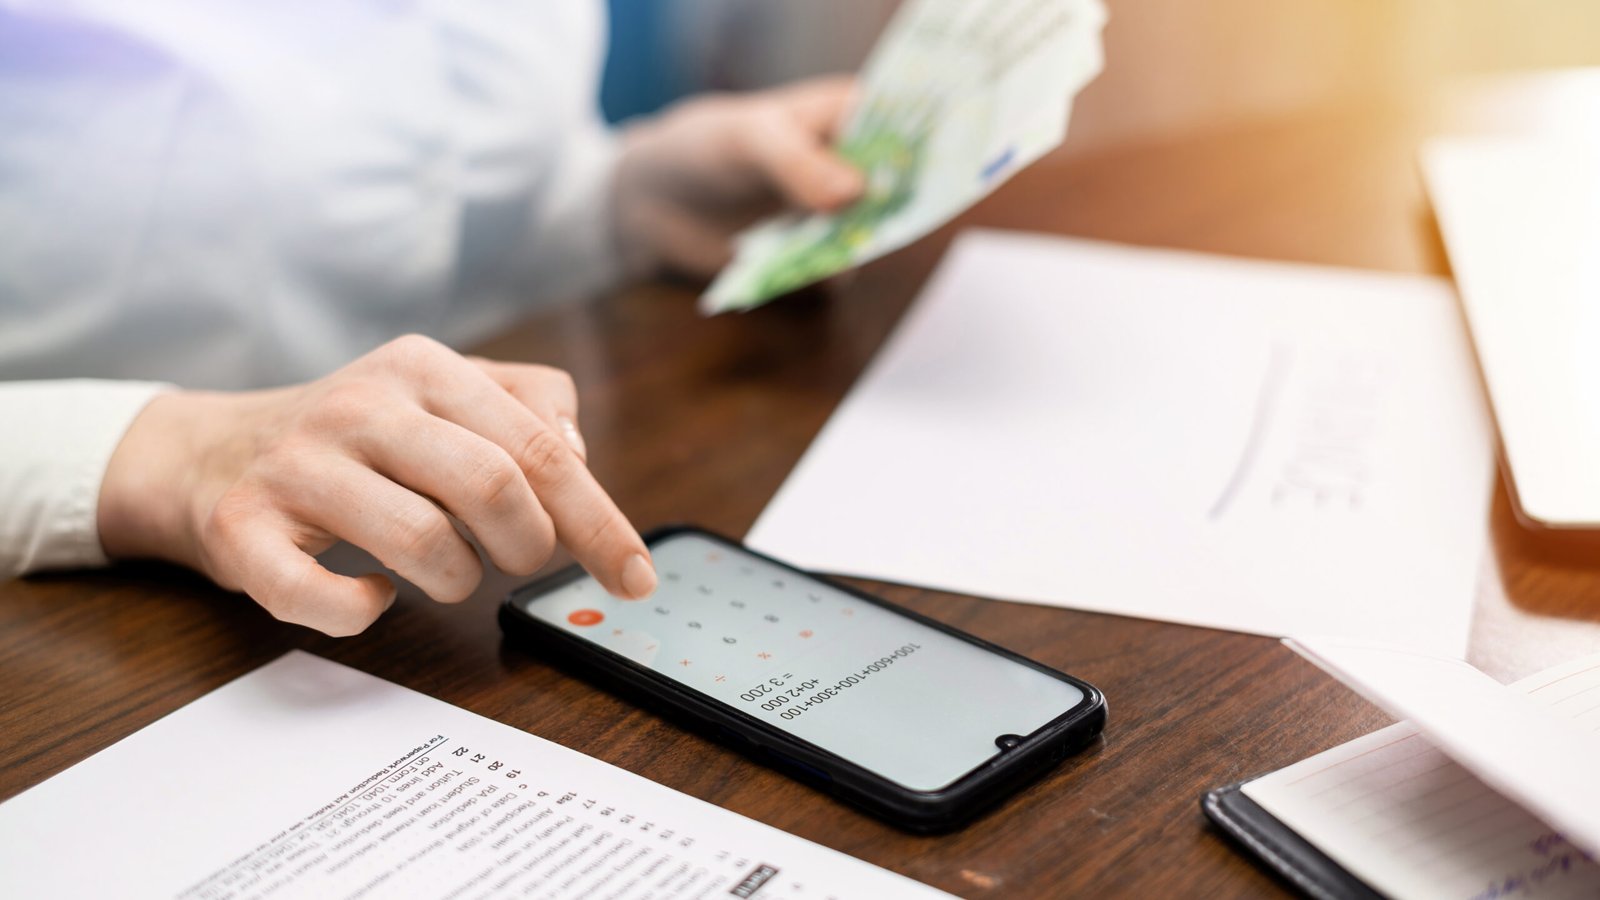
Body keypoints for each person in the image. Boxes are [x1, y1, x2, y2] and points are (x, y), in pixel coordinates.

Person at [0, 2, 864, 635]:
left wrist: (619, 203)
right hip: (103, 626)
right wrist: (168, 453)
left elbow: (431, 201)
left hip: (449, 585)